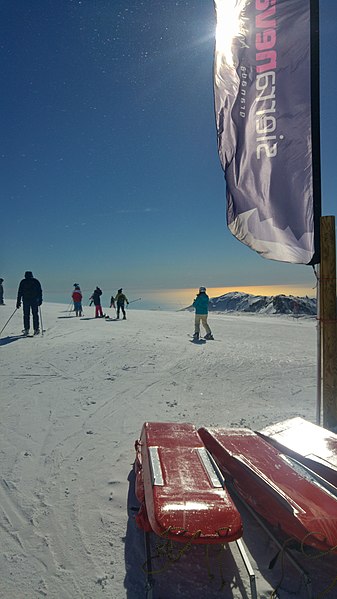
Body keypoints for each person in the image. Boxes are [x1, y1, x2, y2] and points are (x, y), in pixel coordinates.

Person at [16, 271, 43, 335]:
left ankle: (26, 329)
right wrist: (40, 300)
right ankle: (36, 329)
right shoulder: (36, 281)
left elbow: (20, 292)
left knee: (26, 315)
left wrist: (18, 302)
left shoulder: (23, 282)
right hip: (34, 301)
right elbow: (40, 291)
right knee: (35, 315)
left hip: (26, 300)